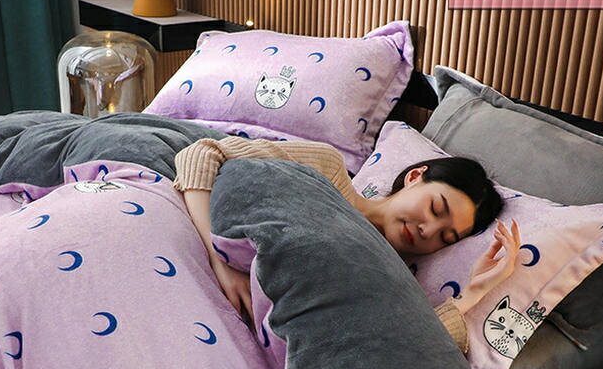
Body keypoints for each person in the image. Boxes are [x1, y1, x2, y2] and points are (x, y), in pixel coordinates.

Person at [173, 136, 520, 354]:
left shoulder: (388, 276)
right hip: (185, 239)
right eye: (435, 208)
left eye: (446, 238)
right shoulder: (328, 169)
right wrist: (220, 259)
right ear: (415, 177)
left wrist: (472, 294)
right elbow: (201, 154)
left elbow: (404, 351)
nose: (428, 230)